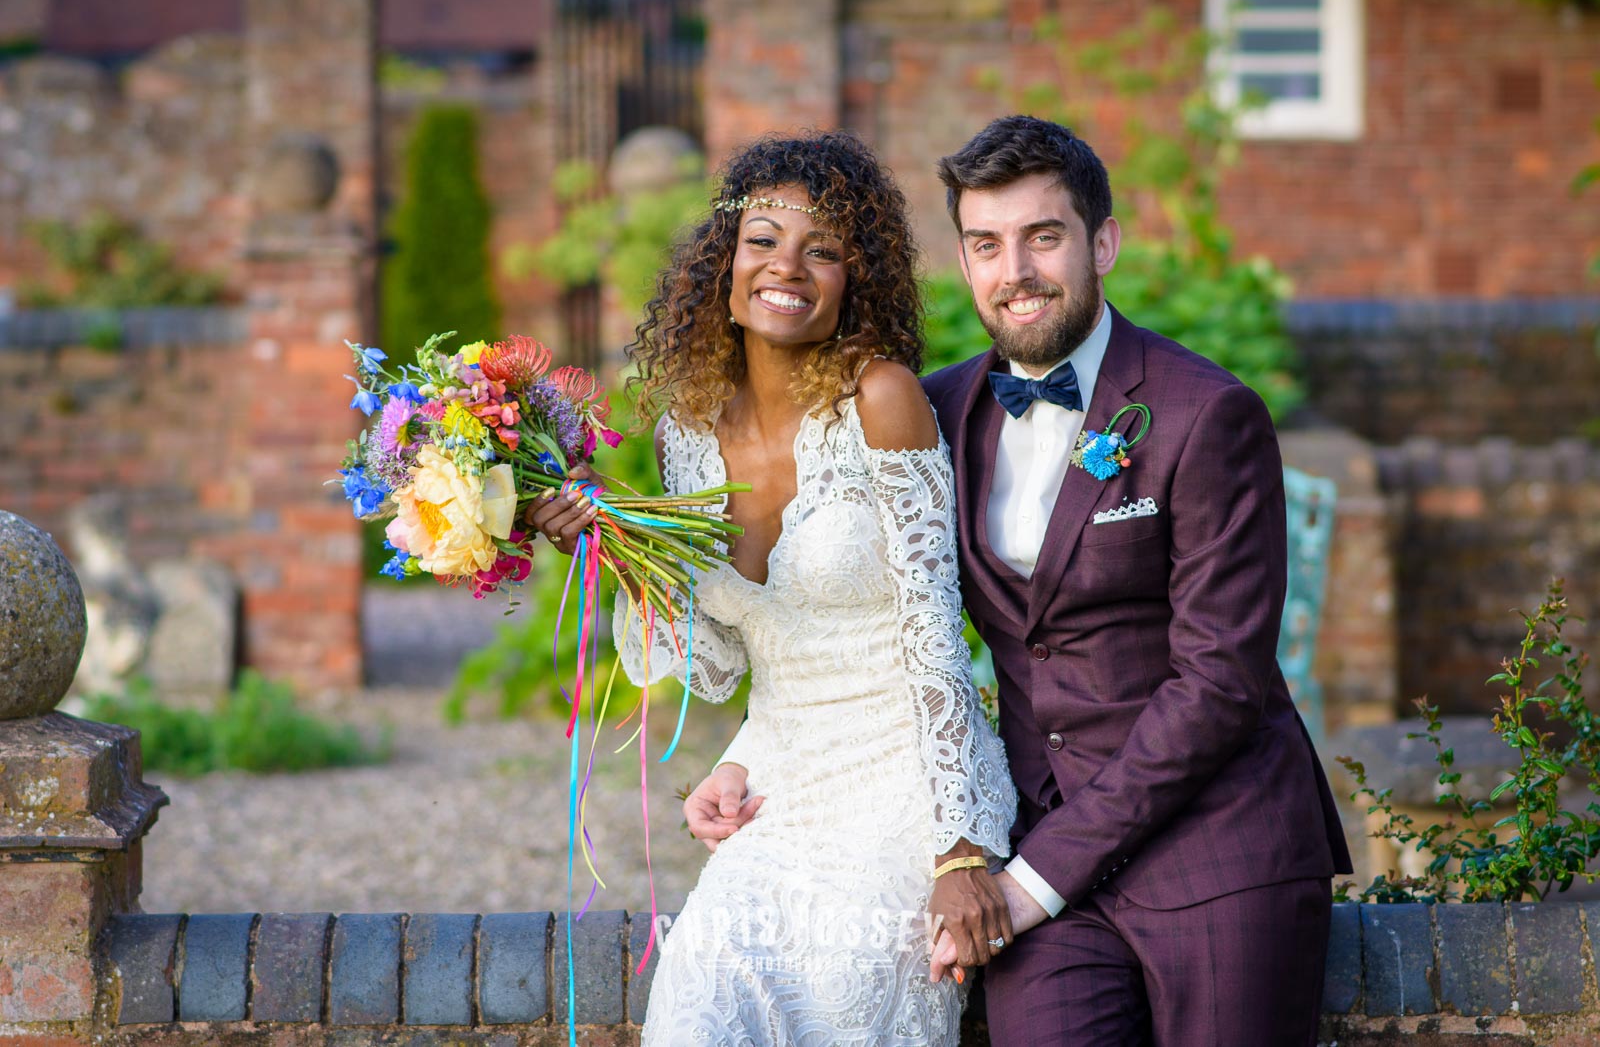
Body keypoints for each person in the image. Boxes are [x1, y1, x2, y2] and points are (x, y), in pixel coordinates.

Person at [532, 131, 1018, 1045]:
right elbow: (719, 659)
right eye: (762, 240)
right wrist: (615, 551)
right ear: (725, 260)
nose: (785, 267)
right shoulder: (688, 431)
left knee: (843, 991)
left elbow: (935, 635)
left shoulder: (882, 399)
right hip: (781, 785)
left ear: (853, 277)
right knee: (696, 1004)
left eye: (822, 249)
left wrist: (959, 848)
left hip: (904, 785)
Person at [920, 114, 1354, 1044]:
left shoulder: (1207, 414)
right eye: (986, 245)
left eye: (1044, 236)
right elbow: (864, 612)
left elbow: (1220, 684)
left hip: (1219, 847)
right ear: (964, 262)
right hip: (1046, 846)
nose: (1016, 271)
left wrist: (1031, 881)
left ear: (1102, 241)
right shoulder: (937, 410)